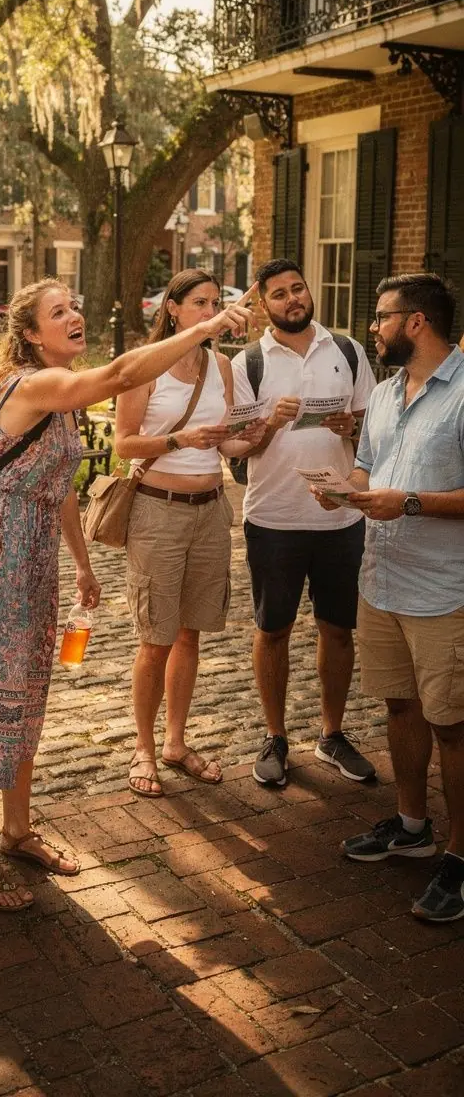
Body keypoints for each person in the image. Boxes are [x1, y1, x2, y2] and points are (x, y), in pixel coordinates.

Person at [0, 277, 256, 910]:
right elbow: (121, 375)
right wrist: (206, 329)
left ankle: (17, 831)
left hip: (31, 556)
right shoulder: (31, 384)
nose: (76, 315)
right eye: (59, 311)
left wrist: (82, 564)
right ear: (30, 334)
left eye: (76, 305)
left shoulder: (62, 395)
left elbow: (60, 484)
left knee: (22, 695)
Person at [318, 275, 464, 922]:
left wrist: (407, 502)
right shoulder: (382, 393)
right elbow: (367, 468)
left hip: (445, 591)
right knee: (400, 705)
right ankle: (412, 826)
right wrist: (343, 490)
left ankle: (460, 857)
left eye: (381, 317)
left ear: (417, 322)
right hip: (382, 582)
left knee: (453, 727)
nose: (372, 328)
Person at [115, 269, 267, 797]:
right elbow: (124, 444)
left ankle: (176, 742)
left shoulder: (221, 366)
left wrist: (257, 433)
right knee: (155, 638)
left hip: (211, 511)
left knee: (189, 634)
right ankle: (143, 747)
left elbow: (227, 447)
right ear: (173, 309)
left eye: (215, 302)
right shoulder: (145, 365)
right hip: (158, 512)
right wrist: (180, 439)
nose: (210, 311)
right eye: (199, 303)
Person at [231, 258, 377, 788]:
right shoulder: (248, 363)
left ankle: (332, 734)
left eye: (298, 288)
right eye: (279, 293)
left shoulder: (347, 350)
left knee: (338, 629)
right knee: (273, 630)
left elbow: (373, 431)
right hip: (274, 517)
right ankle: (275, 737)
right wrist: (271, 422)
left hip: (340, 515)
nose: (292, 298)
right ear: (263, 304)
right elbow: (238, 449)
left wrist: (350, 427)